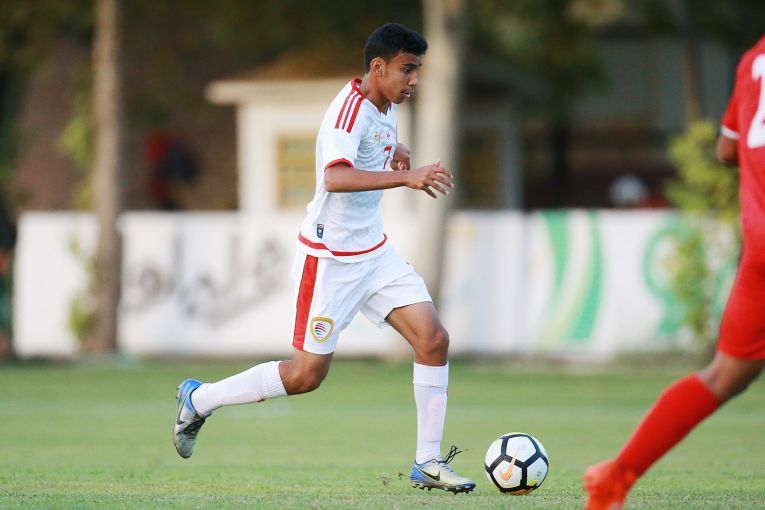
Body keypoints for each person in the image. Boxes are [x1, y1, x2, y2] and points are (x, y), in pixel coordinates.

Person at [172, 22, 476, 494]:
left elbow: (370, 147)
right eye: (408, 70)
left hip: (374, 252)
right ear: (379, 67)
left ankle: (428, 461)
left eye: (417, 70)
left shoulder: (387, 104)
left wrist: (394, 152)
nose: (414, 79)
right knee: (305, 376)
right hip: (330, 259)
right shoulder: (347, 111)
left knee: (433, 339)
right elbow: (335, 177)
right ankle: (200, 399)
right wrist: (406, 176)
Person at [583, 34, 765, 510]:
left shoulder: (754, 58)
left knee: (724, 375)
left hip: (760, 247)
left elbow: (727, 149)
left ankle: (617, 476)